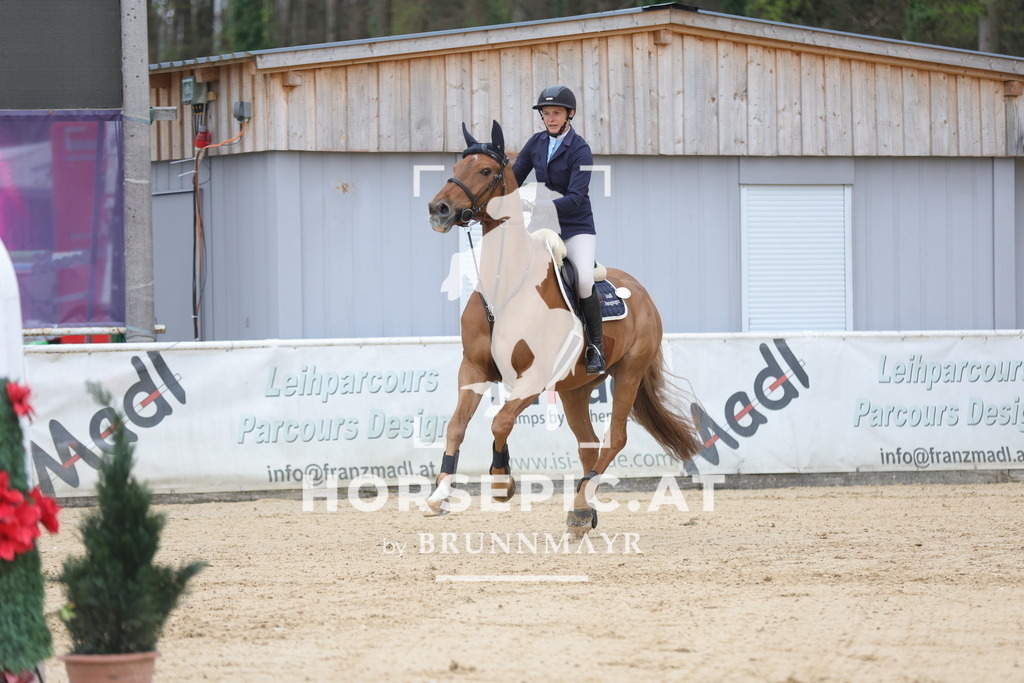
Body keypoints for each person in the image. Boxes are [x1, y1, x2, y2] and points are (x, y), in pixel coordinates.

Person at [512, 85, 605, 375]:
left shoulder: (581, 150)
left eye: (556, 113)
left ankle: (595, 347)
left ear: (569, 115)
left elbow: (576, 198)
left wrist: (537, 205)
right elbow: (513, 179)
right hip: (542, 225)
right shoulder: (536, 143)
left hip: (576, 226)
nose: (550, 118)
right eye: (546, 113)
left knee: (584, 281)